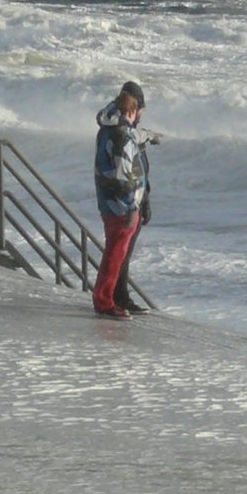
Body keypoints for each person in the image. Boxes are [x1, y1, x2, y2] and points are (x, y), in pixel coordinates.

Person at [92, 80, 160, 318]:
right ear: (132, 109)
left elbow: (134, 137)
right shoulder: (120, 135)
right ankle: (105, 301)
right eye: (140, 110)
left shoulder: (120, 129)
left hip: (127, 203)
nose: (141, 114)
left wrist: (148, 136)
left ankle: (119, 297)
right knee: (115, 253)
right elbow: (122, 174)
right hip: (121, 206)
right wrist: (132, 203)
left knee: (121, 253)